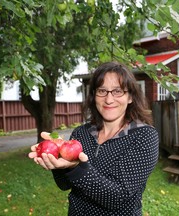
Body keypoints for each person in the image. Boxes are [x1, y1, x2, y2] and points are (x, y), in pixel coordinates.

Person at [28, 61, 159, 216]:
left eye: (118, 91)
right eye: (102, 91)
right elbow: (64, 185)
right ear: (94, 96)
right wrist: (58, 162)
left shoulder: (143, 136)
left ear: (130, 97)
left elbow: (116, 197)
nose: (109, 99)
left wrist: (77, 167)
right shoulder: (81, 133)